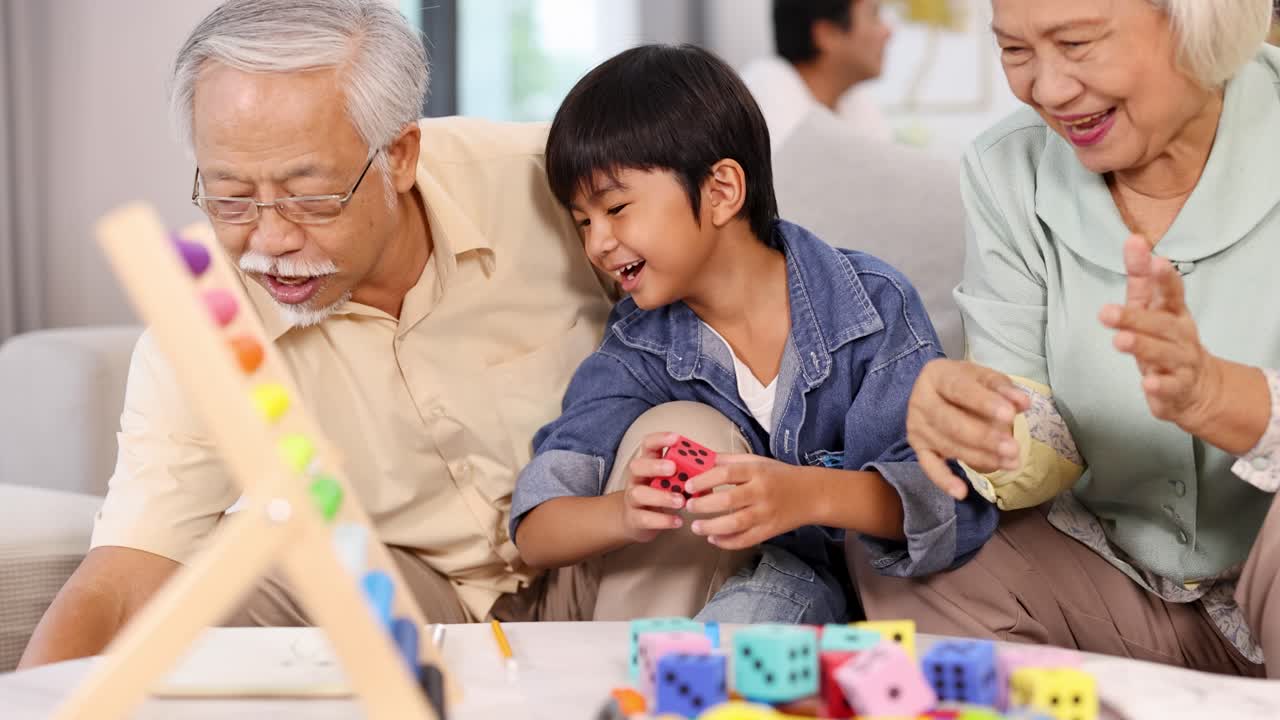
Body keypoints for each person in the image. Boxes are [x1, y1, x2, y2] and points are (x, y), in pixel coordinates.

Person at [18, 0, 707, 669]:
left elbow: (742, 304)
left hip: (611, 554)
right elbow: (129, 570)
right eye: (230, 195)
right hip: (407, 601)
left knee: (691, 427)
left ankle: (641, 687)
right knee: (236, 558)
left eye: (309, 194)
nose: (271, 239)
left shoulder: (555, 184)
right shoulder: (205, 317)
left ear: (400, 155)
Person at [851, 0, 1280, 678]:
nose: (1045, 89)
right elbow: (1035, 439)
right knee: (912, 537)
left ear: (1200, 21)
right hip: (1123, 591)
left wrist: (1220, 397)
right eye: (1015, 52)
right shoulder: (1007, 168)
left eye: (1076, 43)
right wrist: (979, 423)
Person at [510, 43, 995, 624]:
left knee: (774, 605)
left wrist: (805, 493)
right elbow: (536, 529)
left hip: (866, 600)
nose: (596, 244)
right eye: (582, 221)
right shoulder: (638, 348)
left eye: (616, 209)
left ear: (721, 191)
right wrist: (623, 512)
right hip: (721, 590)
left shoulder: (870, 307)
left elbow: (950, 506)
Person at [740, 0, 894, 148]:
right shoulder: (765, 93)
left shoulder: (855, 102)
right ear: (827, 34)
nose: (888, 32)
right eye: (874, 15)